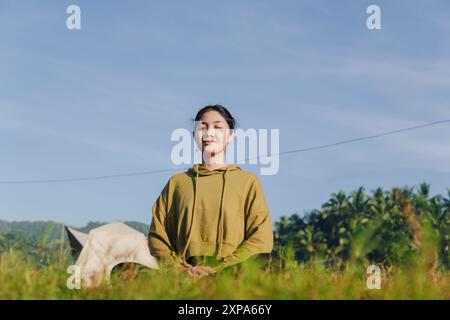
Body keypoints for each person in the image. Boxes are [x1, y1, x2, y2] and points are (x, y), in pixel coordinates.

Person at [148, 105, 273, 279]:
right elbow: (158, 236)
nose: (209, 133)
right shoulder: (178, 183)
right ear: (194, 136)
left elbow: (261, 238)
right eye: (203, 127)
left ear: (230, 136)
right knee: (122, 268)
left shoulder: (247, 181)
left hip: (230, 270)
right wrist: (182, 270)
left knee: (266, 260)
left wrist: (218, 269)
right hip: (185, 273)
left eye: (217, 127)